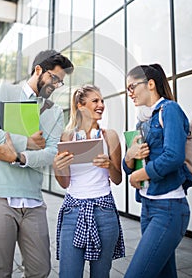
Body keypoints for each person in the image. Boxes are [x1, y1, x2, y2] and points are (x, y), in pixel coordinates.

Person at [0, 49, 74, 278]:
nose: (56, 85)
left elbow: (49, 154)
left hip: (33, 200)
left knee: (41, 270)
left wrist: (18, 156)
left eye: (60, 82)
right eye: (54, 78)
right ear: (38, 70)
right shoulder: (4, 91)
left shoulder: (55, 111)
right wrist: (26, 141)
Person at [123, 63, 191, 278]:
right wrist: (130, 155)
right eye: (127, 89)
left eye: (132, 87)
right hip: (148, 207)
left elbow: (174, 156)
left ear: (150, 84)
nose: (130, 93)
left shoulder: (169, 109)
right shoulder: (143, 120)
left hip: (169, 207)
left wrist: (139, 175)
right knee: (164, 274)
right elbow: (129, 168)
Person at [53, 84, 125, 278]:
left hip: (104, 211)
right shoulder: (67, 137)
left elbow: (117, 179)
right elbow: (64, 183)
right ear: (80, 106)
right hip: (73, 212)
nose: (101, 104)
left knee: (101, 275)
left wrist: (109, 165)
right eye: (95, 101)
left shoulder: (109, 136)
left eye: (102, 101)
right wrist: (57, 167)